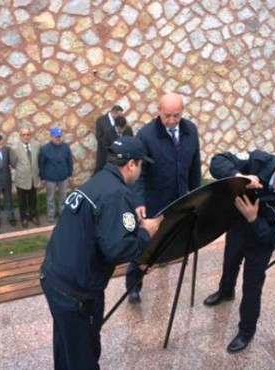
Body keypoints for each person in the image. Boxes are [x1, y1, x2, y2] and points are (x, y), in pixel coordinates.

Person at [40, 136, 163, 370]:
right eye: (141, 165)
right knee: (84, 355)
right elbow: (116, 249)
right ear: (131, 165)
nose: (140, 170)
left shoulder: (98, 181)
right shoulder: (116, 193)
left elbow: (101, 231)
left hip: (54, 278)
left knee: (67, 345)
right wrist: (146, 233)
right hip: (76, 293)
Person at [203, 150, 275, 353]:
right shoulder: (258, 161)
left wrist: (254, 219)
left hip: (260, 245)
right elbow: (218, 161)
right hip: (237, 227)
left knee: (252, 287)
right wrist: (239, 177)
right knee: (229, 264)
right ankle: (225, 292)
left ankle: (246, 331)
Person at [126, 92, 202, 304]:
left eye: (176, 115)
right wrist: (139, 201)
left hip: (180, 199)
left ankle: (164, 259)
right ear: (158, 111)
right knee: (144, 247)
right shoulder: (146, 135)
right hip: (155, 201)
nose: (171, 120)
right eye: (167, 115)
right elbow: (138, 174)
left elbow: (195, 165)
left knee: (172, 239)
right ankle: (133, 285)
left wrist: (197, 195)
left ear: (182, 112)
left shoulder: (191, 130)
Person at [39, 127, 73, 223]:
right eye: (56, 137)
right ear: (51, 137)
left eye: (59, 136)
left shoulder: (66, 147)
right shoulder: (45, 149)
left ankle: (62, 212)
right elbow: (42, 163)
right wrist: (42, 176)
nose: (58, 138)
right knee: (50, 197)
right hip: (50, 178)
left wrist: (70, 173)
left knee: (63, 196)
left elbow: (69, 161)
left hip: (63, 177)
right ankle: (51, 214)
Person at [10, 128, 41, 228]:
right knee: (22, 200)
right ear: (20, 136)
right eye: (23, 135)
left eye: (28, 134)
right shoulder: (14, 148)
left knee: (33, 199)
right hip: (22, 178)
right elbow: (13, 163)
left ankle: (33, 215)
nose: (26, 137)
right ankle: (23, 217)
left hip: (33, 178)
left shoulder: (37, 145)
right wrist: (24, 169)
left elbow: (38, 159)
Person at [94, 104, 124, 173]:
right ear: (114, 112)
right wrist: (109, 147)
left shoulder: (119, 121)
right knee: (101, 171)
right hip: (104, 153)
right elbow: (99, 136)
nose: (120, 117)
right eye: (119, 115)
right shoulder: (101, 120)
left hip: (116, 154)